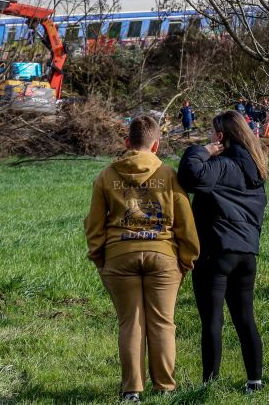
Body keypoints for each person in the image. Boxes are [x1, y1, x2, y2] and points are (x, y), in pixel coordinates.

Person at [85, 116, 200, 402]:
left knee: (130, 323)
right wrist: (186, 259)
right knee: (163, 323)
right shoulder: (168, 173)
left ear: (126, 143)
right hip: (163, 256)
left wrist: (100, 257)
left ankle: (131, 391)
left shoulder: (106, 176)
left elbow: (94, 225)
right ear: (156, 144)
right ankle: (164, 388)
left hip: (119, 256)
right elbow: (186, 224)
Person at [178, 110, 268, 394]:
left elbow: (190, 176)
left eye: (212, 132)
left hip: (217, 251)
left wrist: (201, 150)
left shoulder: (223, 166)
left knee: (212, 319)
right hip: (247, 254)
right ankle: (255, 380)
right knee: (245, 318)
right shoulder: (257, 168)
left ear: (221, 136)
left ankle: (210, 383)